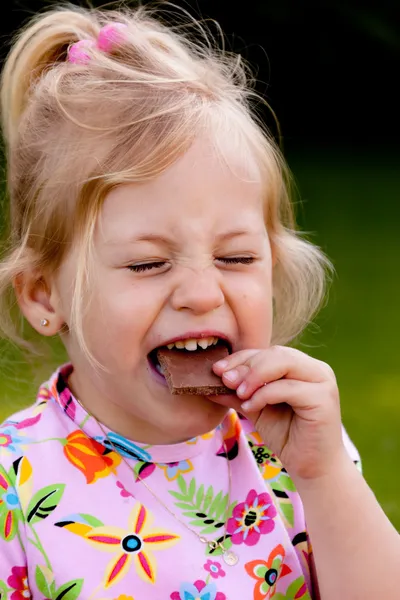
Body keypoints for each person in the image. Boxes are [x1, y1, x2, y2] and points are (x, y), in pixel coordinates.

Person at [0, 4, 398, 600]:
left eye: (236, 258)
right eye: (148, 264)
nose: (202, 293)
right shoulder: (17, 487)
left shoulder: (295, 448)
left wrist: (325, 477)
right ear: (42, 294)